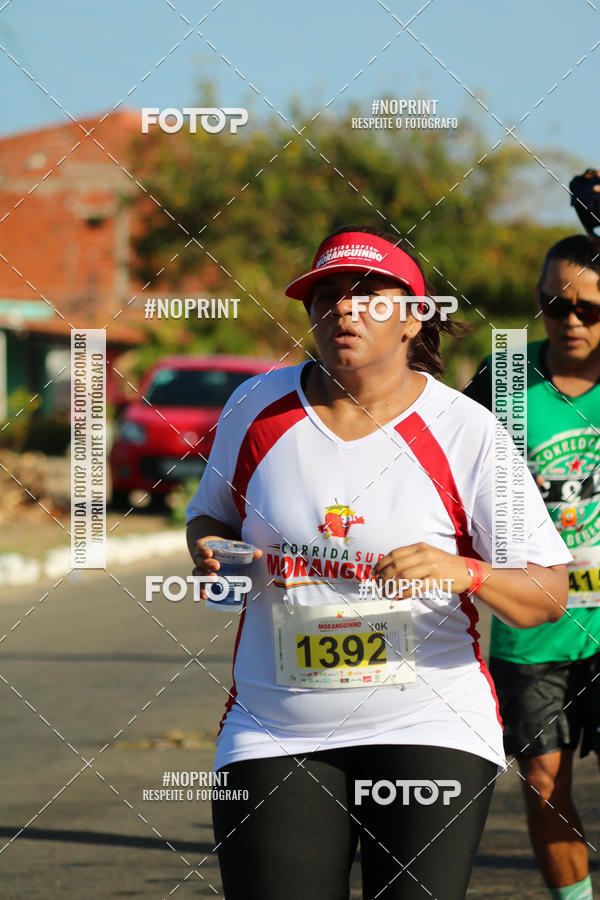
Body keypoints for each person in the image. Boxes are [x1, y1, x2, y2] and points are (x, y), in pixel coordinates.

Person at [186, 225, 571, 900]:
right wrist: (217, 555)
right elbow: (209, 516)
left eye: (368, 294)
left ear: (415, 315)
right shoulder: (257, 407)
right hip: (277, 726)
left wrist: (467, 573)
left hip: (427, 718)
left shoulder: (466, 430)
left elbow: (547, 593)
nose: (343, 308)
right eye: (326, 295)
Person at [464, 233, 600, 900]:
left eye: (589, 309)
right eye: (553, 304)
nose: (569, 320)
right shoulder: (511, 375)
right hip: (534, 622)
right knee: (545, 785)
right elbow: (448, 459)